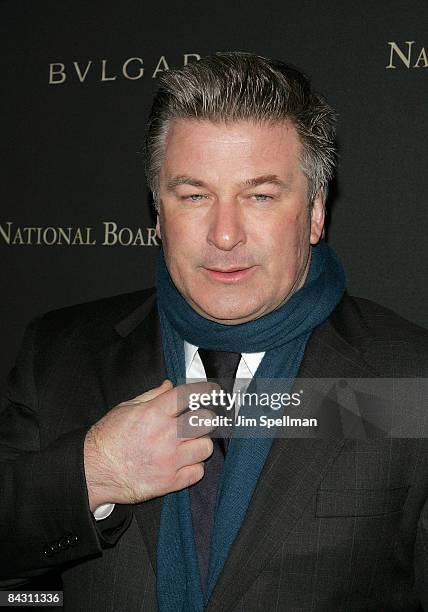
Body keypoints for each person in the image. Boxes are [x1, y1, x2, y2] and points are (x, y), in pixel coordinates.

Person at [1, 52, 427, 611]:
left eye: (260, 195)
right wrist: (94, 471)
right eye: (195, 195)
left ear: (317, 210)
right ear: (157, 211)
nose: (225, 235)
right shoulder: (59, 353)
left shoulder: (407, 378)